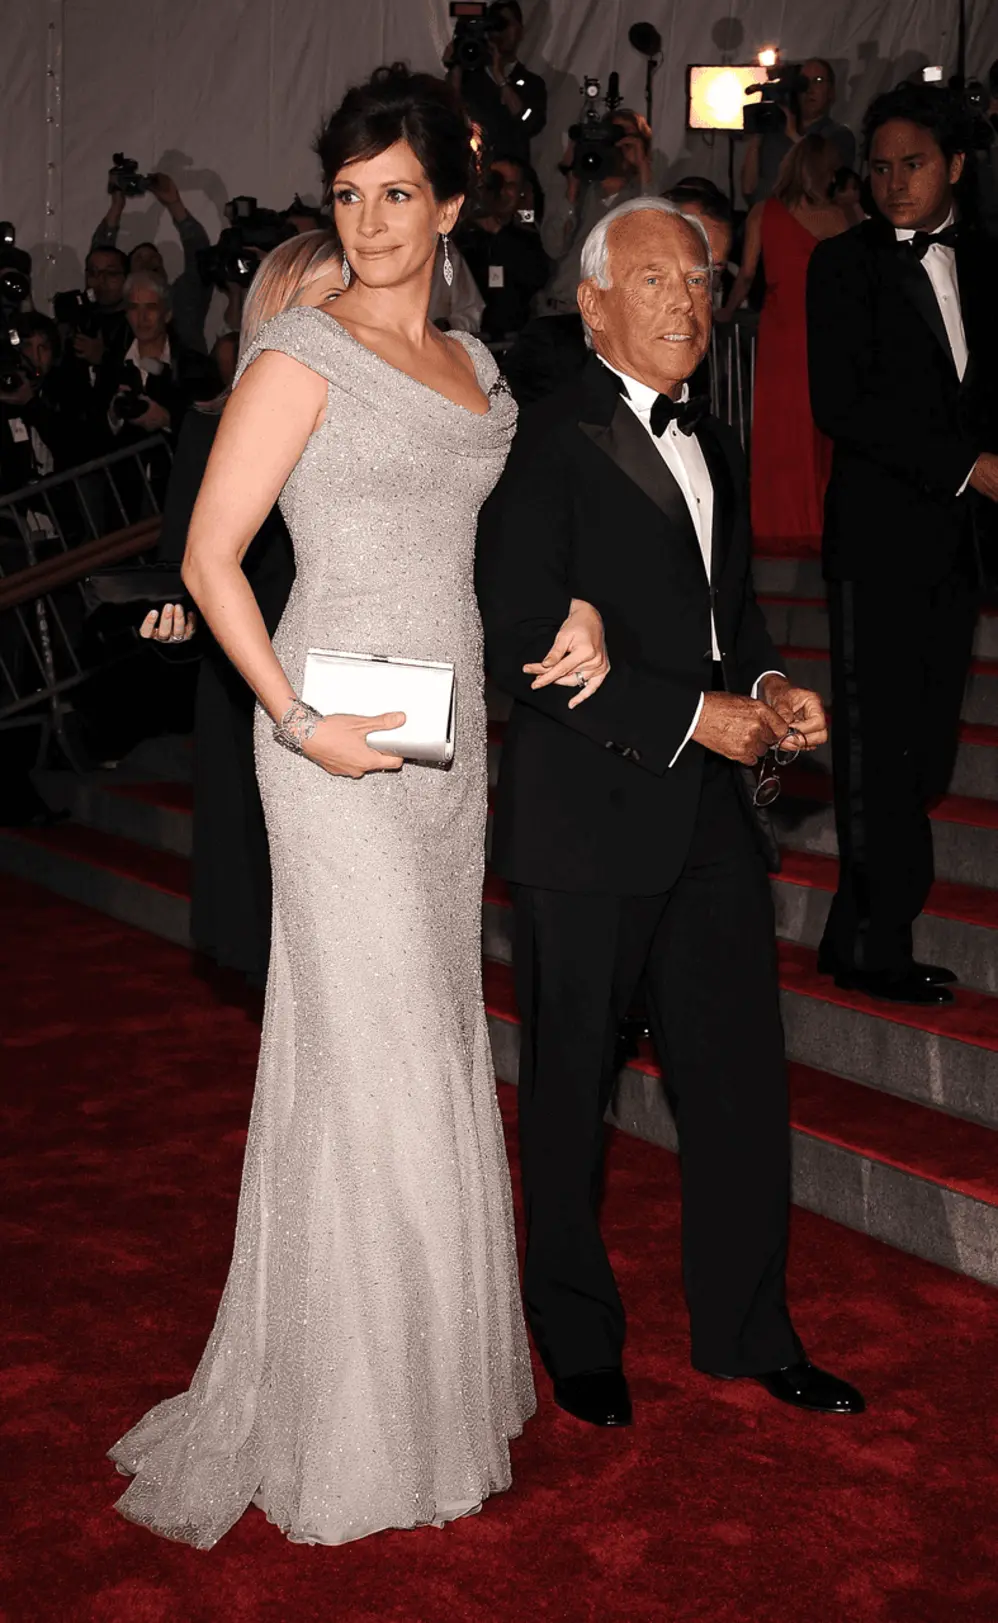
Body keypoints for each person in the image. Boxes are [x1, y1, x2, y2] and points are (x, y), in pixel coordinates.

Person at [107, 62, 615, 1548]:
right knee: (375, 1052)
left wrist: (580, 597)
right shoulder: (297, 354)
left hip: (445, 742)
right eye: (347, 195)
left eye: (398, 193)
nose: (372, 219)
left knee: (434, 1039)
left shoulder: (485, 374)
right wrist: (298, 717)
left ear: (451, 206)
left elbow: (521, 538)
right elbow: (212, 557)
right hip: (327, 739)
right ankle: (355, 1420)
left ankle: (435, 1385)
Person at [477, 195, 865, 1430]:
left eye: (697, 279)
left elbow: (727, 619)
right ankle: (575, 1336)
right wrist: (698, 715)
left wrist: (764, 685)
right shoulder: (537, 442)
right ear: (592, 305)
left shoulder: (719, 440)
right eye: (654, 280)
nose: (687, 299)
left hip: (705, 823)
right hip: (584, 819)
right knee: (569, 1095)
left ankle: (749, 1331)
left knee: (740, 1082)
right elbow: (525, 641)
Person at [806, 83, 998, 1004]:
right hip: (876, 542)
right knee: (880, 747)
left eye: (911, 163)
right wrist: (967, 465)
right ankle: (881, 938)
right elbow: (843, 406)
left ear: (955, 165)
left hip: (960, 546)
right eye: (877, 167)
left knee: (925, 750)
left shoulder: (988, 259)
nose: (891, 182)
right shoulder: (841, 266)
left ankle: (852, 931)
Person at [141, 232, 342, 985]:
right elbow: (182, 570)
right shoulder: (213, 424)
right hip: (250, 683)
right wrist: (173, 626)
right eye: (323, 301)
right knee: (275, 923)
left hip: (349, 666)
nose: (341, 318)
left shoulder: (380, 422)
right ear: (278, 313)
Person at [720, 135, 848, 553]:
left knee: (779, 426)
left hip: (781, 332)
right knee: (821, 425)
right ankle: (821, 518)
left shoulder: (763, 213)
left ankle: (777, 520)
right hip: (827, 332)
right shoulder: (841, 216)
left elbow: (746, 276)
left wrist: (724, 314)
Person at [542, 108, 653, 314]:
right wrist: (571, 190)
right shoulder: (577, 190)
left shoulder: (643, 199)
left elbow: (654, 237)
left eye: (625, 140)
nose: (618, 149)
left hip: (613, 318)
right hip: (563, 312)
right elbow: (553, 247)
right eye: (612, 138)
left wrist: (642, 165)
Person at [92, 168, 212, 352]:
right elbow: (99, 261)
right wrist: (116, 206)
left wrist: (175, 204)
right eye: (139, 259)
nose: (148, 262)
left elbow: (200, 256)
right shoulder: (118, 310)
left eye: (155, 259)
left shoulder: (182, 302)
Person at [456, 154, 550, 340]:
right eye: (495, 184)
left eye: (510, 186)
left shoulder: (527, 236)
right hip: (467, 339)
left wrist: (498, 232)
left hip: (514, 340)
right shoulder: (460, 234)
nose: (501, 192)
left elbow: (537, 276)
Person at [741, 58, 855, 205]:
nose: (809, 89)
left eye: (818, 81)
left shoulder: (838, 136)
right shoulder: (773, 133)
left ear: (831, 92)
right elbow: (749, 190)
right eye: (803, 82)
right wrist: (757, 134)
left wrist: (794, 136)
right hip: (766, 219)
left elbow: (829, 188)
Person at [445, 0, 546, 165]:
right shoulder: (469, 79)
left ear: (520, 30)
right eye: (495, 26)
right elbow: (448, 120)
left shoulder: (532, 83)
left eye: (506, 25)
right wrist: (455, 66)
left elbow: (530, 124)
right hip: (475, 171)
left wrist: (500, 77)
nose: (501, 33)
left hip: (513, 177)